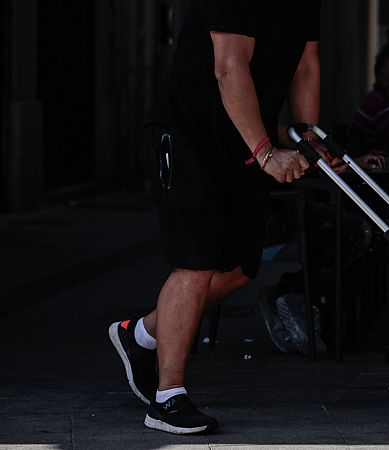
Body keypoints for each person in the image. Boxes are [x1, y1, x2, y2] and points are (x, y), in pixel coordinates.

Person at [107, 0, 342, 435]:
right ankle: (167, 398)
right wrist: (266, 151)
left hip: (244, 140)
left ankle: (140, 334)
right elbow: (229, 67)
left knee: (238, 269)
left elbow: (306, 65)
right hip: (188, 134)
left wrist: (308, 137)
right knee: (195, 264)